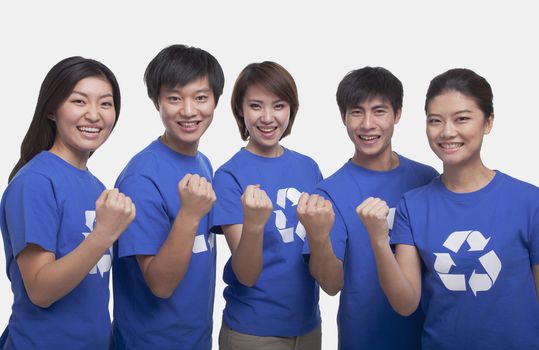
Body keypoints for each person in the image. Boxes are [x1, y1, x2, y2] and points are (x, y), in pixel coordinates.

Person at [357, 68, 539, 349]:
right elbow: (405, 304)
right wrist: (379, 240)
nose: (447, 132)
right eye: (435, 121)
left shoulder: (529, 201)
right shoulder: (413, 205)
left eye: (462, 119)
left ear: (488, 122)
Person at [297, 66, 438, 349]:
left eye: (379, 111)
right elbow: (331, 284)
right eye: (357, 112)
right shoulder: (330, 192)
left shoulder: (427, 178)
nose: (367, 124)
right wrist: (319, 236)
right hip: (365, 339)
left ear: (397, 114)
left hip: (430, 336)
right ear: (343, 117)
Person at [0, 56, 134, 349]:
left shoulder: (96, 187)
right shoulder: (34, 182)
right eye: (79, 101)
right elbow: (40, 289)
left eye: (105, 103)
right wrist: (103, 235)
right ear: (51, 110)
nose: (94, 115)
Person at [110, 44, 224, 350]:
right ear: (156, 102)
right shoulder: (140, 179)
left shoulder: (203, 163)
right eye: (174, 98)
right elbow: (160, 284)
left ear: (216, 100)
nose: (188, 111)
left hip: (196, 340)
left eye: (200, 97)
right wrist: (189, 214)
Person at [212, 61, 322, 350]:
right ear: (240, 110)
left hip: (309, 326)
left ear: (291, 110)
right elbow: (246, 273)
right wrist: (254, 223)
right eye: (256, 106)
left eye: (279, 106)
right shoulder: (228, 176)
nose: (268, 117)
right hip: (254, 331)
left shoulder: (309, 168)